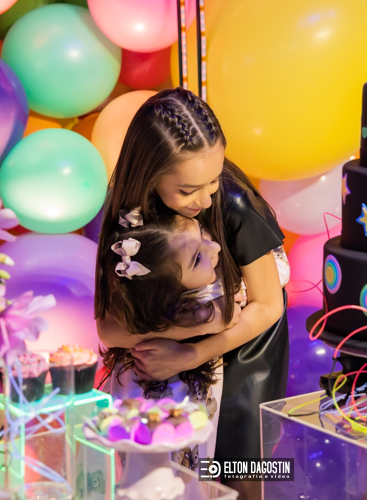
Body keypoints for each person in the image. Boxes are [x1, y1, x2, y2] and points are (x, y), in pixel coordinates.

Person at [94, 87, 288, 498]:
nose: (205, 198)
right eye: (187, 190)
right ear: (149, 175)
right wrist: (196, 326)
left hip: (246, 346)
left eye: (214, 180)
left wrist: (195, 352)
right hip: (171, 358)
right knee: (167, 473)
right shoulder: (127, 211)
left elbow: (268, 304)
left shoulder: (233, 203)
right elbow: (109, 329)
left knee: (240, 470)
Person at [98, 212, 233, 469]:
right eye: (197, 258)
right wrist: (207, 317)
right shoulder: (208, 300)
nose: (215, 247)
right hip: (155, 401)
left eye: (203, 232)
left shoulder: (209, 289)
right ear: (165, 291)